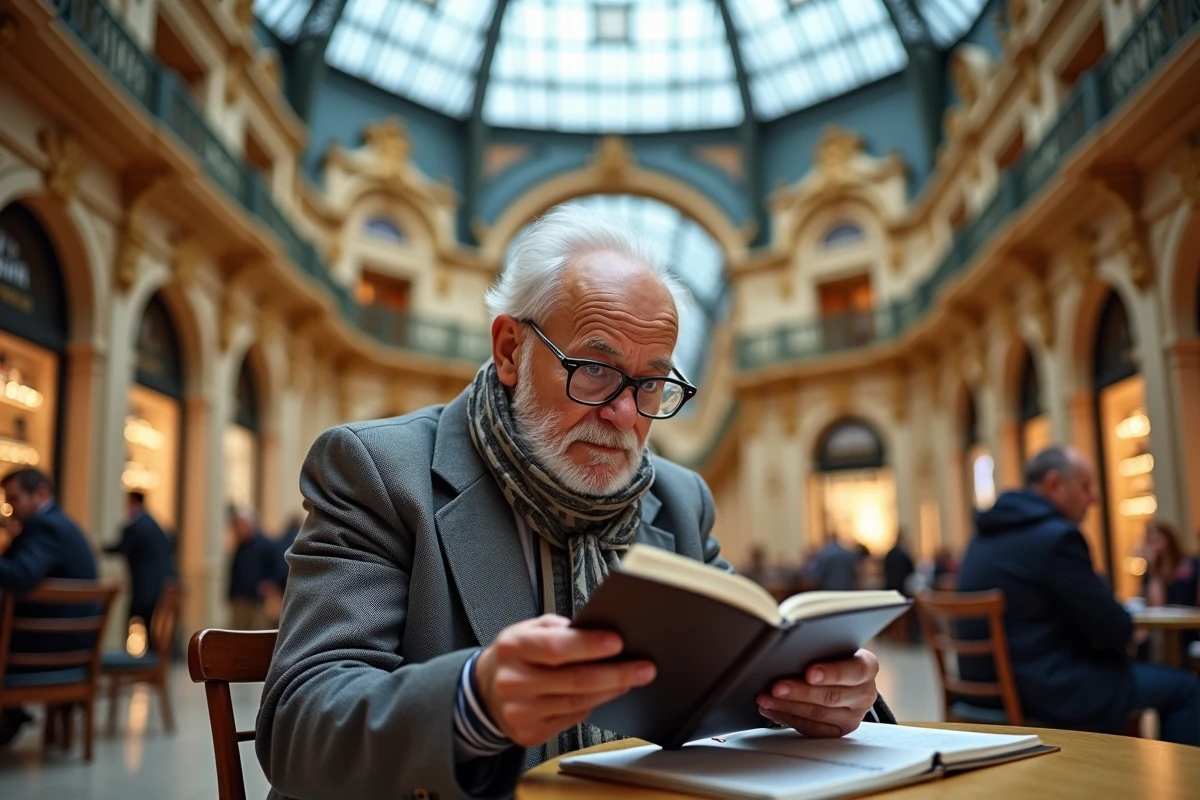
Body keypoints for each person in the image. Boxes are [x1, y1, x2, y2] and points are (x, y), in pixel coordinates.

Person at [256, 206, 891, 800]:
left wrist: (833, 697)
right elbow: (299, 721)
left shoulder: (677, 500)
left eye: (651, 383)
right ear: (510, 351)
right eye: (593, 367)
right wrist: (473, 703)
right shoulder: (379, 473)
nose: (622, 414)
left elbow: (745, 670)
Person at [957, 445, 1200, 744]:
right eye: (1086, 487)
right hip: (1048, 690)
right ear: (1054, 484)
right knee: (1186, 688)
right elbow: (1114, 628)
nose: (1094, 499)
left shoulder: (981, 537)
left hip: (979, 691)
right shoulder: (1057, 537)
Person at [0, 468, 98, 745]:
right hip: (71, 646)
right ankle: (11, 715)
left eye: (15, 499)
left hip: (49, 650)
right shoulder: (59, 523)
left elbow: (20, 576)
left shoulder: (45, 527)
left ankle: (10, 715)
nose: (11, 508)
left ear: (41, 493)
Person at [104, 491, 174, 642]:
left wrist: (101, 548)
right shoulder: (153, 523)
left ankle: (136, 657)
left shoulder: (137, 526)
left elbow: (123, 547)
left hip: (145, 585)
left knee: (141, 621)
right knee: (150, 626)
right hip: (159, 582)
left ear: (132, 501)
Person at [1141, 519, 1200, 656]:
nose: (1153, 545)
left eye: (1157, 540)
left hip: (1190, 627)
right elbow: (1157, 606)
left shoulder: (1191, 565)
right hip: (1166, 628)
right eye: (1150, 541)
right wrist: (1154, 569)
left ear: (1169, 539)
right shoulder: (1153, 572)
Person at [227, 508, 278, 631]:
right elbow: (234, 571)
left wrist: (270, 584)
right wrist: (230, 594)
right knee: (237, 633)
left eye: (243, 524)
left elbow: (275, 569)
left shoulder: (266, 544)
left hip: (258, 601)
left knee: (257, 634)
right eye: (238, 525)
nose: (240, 528)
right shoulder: (240, 546)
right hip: (240, 599)